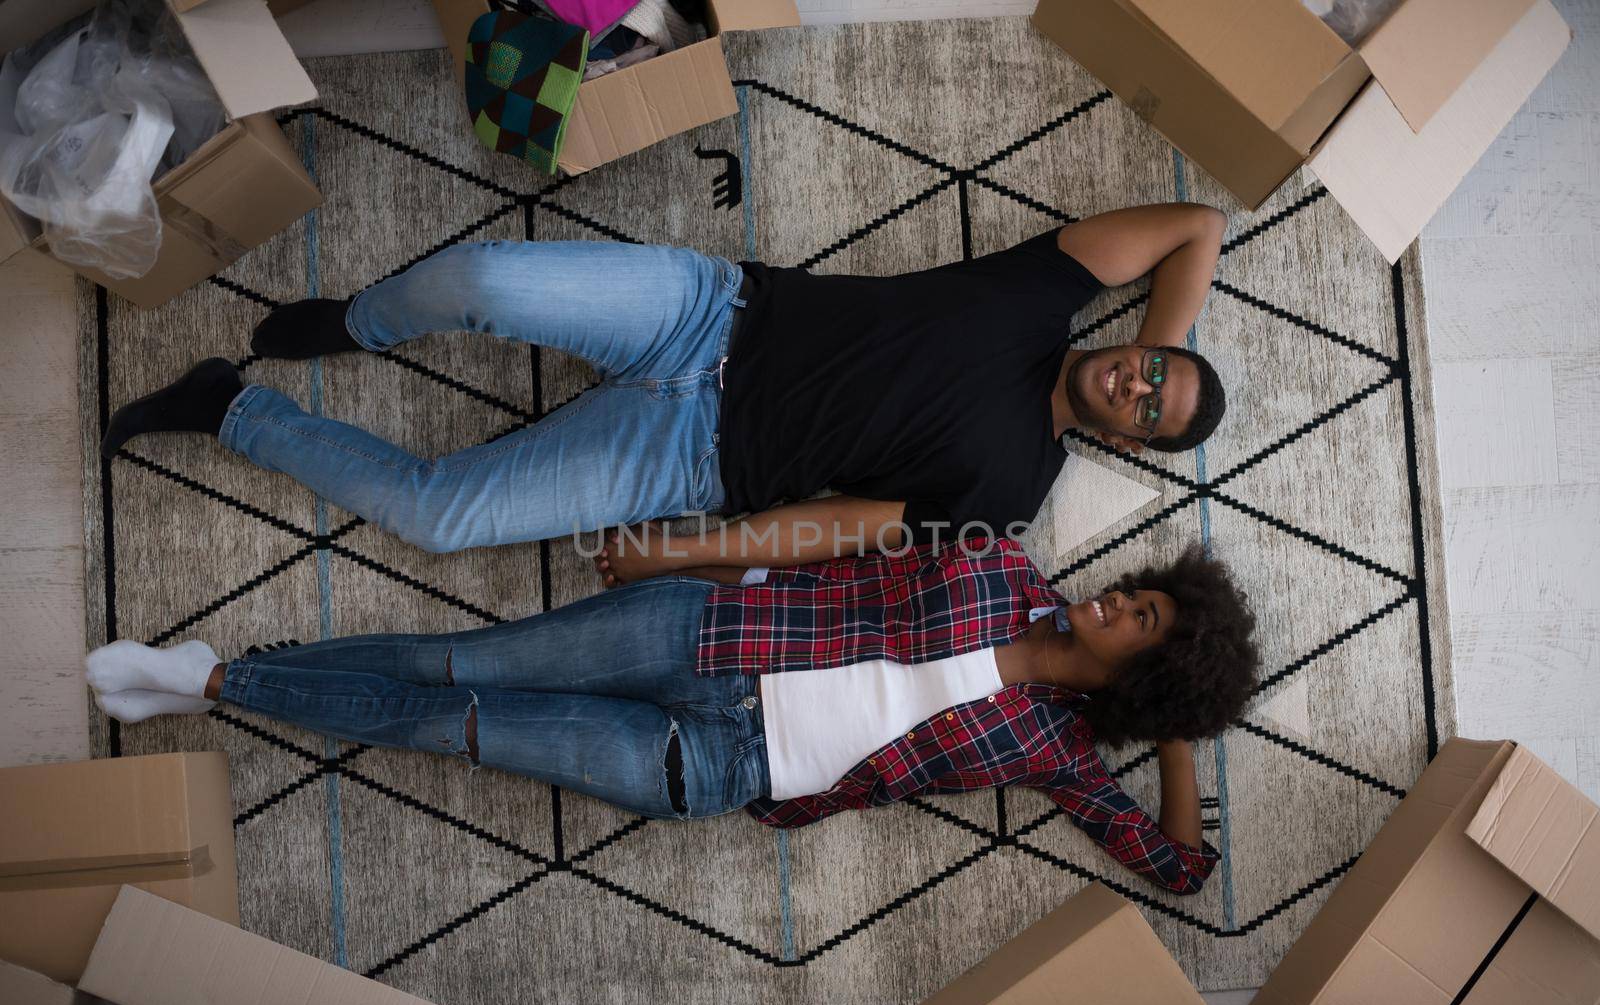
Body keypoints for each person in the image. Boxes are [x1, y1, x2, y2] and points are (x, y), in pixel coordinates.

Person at [85, 537, 1259, 895]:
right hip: (702, 635)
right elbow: (851, 537)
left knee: (462, 727)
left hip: (714, 763)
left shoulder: (1057, 753)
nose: (1118, 603)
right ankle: (216, 675)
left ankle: (213, 685)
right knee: (457, 661)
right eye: (1141, 595)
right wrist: (710, 551)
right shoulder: (1000, 563)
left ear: (1142, 676)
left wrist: (1169, 733)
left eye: (1142, 627)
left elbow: (1178, 868)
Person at [98, 203, 1227, 566]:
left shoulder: (1013, 491)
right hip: (712, 311)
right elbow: (1197, 225)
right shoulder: (1045, 296)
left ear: (1125, 445)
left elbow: (836, 527)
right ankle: (355, 322)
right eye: (1153, 373)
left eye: (1144, 409)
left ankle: (228, 408)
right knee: (482, 276)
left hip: (688, 459)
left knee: (441, 519)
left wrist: (682, 547)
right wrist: (1167, 354)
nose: (1134, 381)